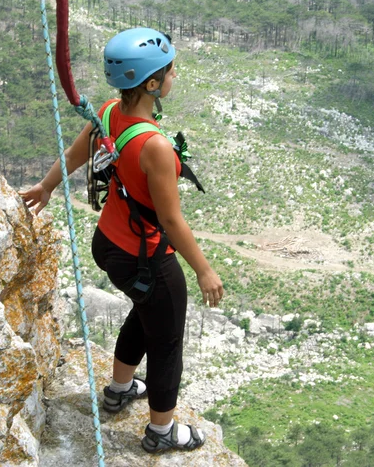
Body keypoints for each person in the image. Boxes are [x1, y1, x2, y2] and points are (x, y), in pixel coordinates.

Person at [20, 28, 224, 453]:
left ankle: (118, 389)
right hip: (146, 257)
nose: (173, 77)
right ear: (152, 83)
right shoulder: (155, 146)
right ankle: (162, 432)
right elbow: (170, 219)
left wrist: (46, 186)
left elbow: (77, 153)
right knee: (166, 343)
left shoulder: (111, 112)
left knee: (146, 311)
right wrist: (204, 270)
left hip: (109, 246)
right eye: (169, 72)